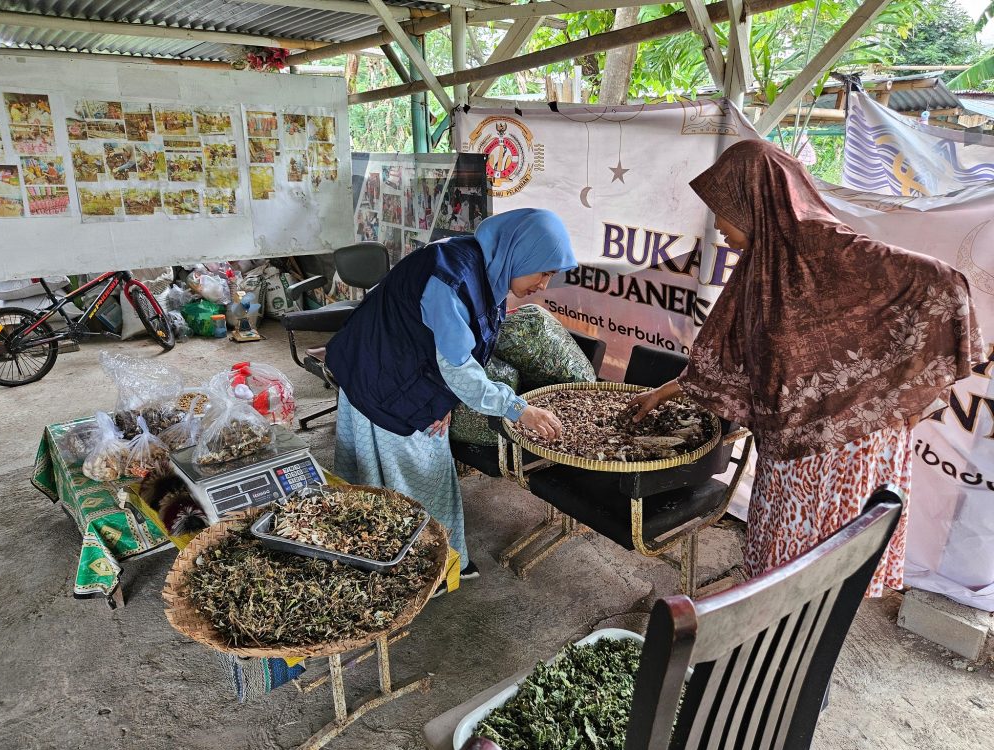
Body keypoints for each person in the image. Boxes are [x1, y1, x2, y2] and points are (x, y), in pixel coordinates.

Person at [628, 139, 983, 596]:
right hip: (789, 450)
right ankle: (776, 631)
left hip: (846, 446)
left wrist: (905, 389)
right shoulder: (765, 265)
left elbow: (943, 283)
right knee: (781, 563)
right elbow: (725, 357)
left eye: (723, 209)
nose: (719, 227)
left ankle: (796, 642)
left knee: (822, 572)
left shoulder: (829, 248)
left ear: (757, 198)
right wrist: (665, 391)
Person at [326, 208, 575, 583]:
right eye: (543, 272)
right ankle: (419, 572)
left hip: (399, 374)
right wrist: (518, 409)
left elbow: (460, 349)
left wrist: (445, 400)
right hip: (381, 378)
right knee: (409, 481)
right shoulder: (452, 277)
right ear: (519, 253)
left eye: (551, 275)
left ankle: (430, 562)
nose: (544, 285)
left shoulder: (484, 269)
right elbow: (458, 367)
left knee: (403, 476)